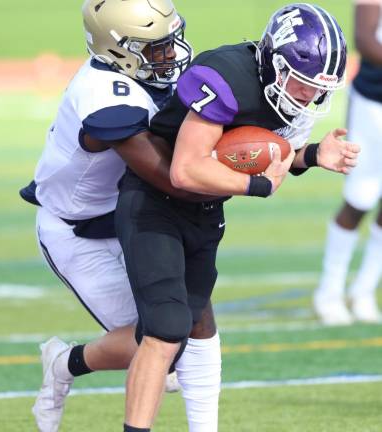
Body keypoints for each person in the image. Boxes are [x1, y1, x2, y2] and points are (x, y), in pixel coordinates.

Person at [115, 3, 360, 431]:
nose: (309, 95)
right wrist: (256, 186)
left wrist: (314, 155)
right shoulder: (227, 76)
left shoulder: (289, 92)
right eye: (302, 83)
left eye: (318, 87)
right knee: (167, 327)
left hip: (205, 207)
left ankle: (68, 363)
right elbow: (185, 169)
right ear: (275, 61)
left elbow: (266, 153)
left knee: (196, 325)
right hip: (155, 200)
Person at [20, 1, 222, 431]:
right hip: (79, 231)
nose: (171, 54)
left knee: (192, 318)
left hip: (133, 213)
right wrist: (243, 177)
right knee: (163, 338)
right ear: (119, 50)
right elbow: (172, 176)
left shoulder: (143, 73)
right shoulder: (104, 95)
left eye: (171, 40)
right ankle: (65, 362)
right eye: (157, 47)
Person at [314, 0, 382, 326]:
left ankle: (364, 289)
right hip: (374, 105)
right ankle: (329, 291)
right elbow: (366, 41)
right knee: (360, 198)